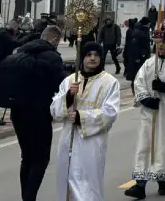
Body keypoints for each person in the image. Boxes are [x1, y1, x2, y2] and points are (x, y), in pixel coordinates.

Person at [50, 42, 122, 201]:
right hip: (68, 138)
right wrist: (68, 96)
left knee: (87, 182)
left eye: (96, 55)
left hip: (92, 142)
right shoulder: (70, 80)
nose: (93, 58)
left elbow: (110, 112)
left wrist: (81, 117)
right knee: (66, 179)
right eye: (89, 55)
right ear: (82, 58)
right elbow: (54, 111)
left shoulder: (110, 82)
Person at [126, 28, 165, 199]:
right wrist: (146, 98)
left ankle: (163, 181)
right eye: (157, 44)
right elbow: (139, 81)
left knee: (164, 147)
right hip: (150, 113)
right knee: (145, 146)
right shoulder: (149, 63)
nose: (159, 48)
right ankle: (140, 185)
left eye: (163, 44)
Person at [6, 25, 68, 201]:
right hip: (39, 114)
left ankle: (26, 196)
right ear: (54, 40)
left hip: (17, 112)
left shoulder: (21, 51)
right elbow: (60, 85)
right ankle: (29, 197)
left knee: (27, 157)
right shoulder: (52, 57)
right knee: (41, 159)